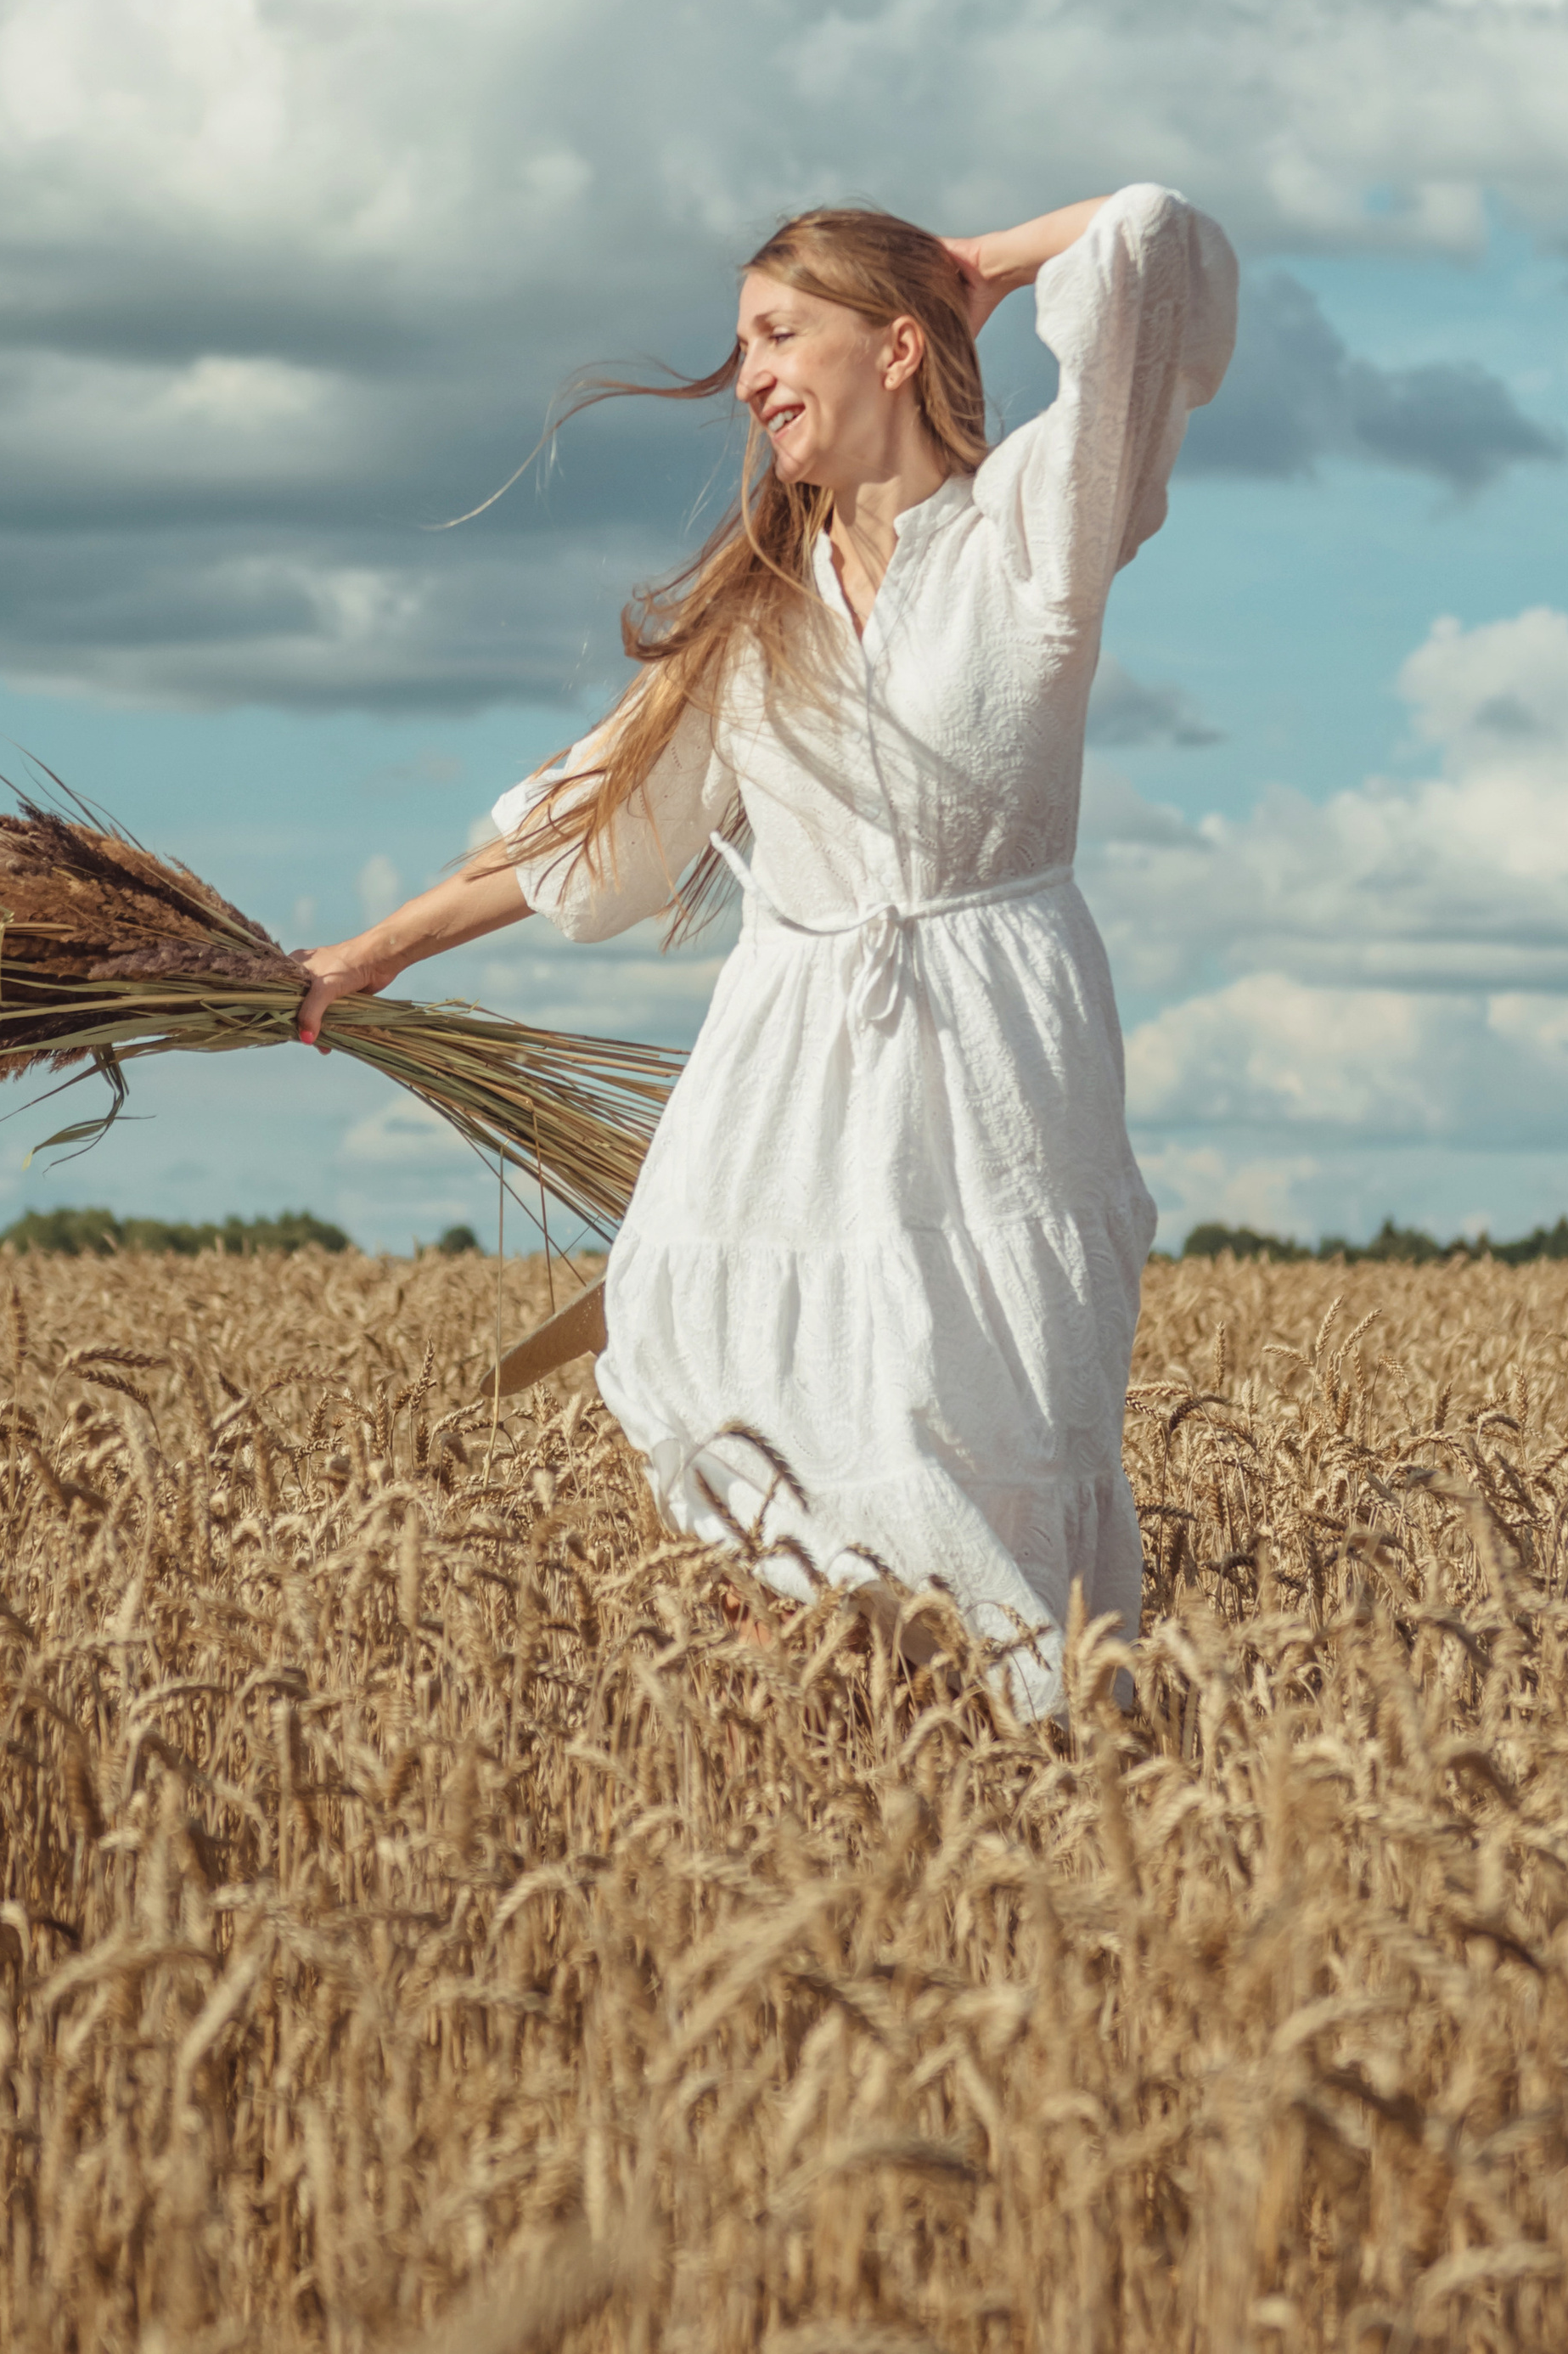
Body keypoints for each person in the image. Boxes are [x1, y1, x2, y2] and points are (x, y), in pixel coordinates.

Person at [296, 187, 1237, 1711]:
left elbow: (1154, 240)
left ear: (900, 348)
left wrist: (969, 264)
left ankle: (1047, 1768)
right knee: (775, 1409)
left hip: (996, 1055)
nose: (748, 376)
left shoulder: (1032, 531)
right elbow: (584, 832)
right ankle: (827, 1756)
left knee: (979, 1410)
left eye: (779, 332)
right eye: (740, 345)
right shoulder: (754, 618)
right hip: (790, 1077)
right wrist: (371, 953)